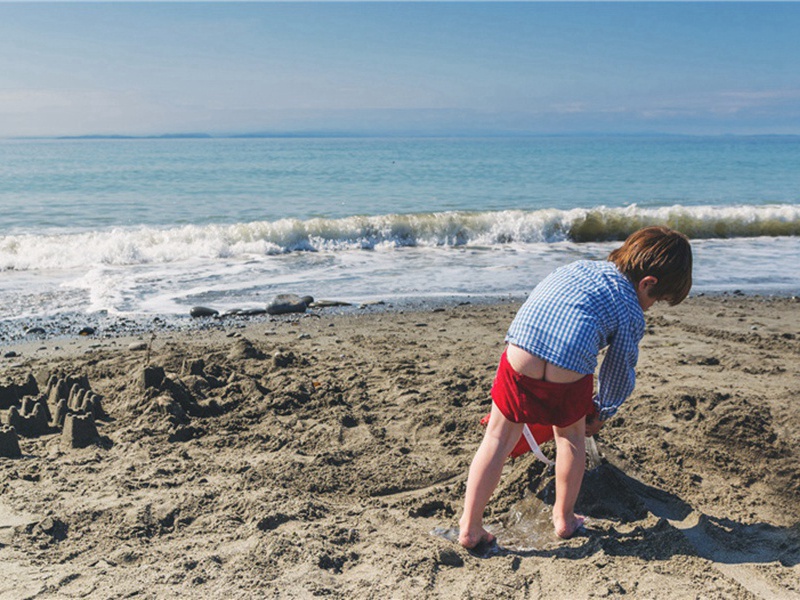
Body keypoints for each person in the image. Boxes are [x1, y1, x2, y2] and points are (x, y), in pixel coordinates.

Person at [458, 226, 692, 548]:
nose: (651, 307)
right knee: (570, 437)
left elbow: (542, 299)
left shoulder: (579, 267)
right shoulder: (630, 309)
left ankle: (470, 526)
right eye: (657, 300)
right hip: (567, 364)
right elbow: (619, 368)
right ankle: (564, 518)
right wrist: (603, 409)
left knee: (497, 437)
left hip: (521, 350)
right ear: (648, 284)